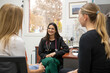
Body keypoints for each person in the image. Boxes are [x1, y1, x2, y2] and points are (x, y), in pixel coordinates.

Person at [59, 3, 110, 73]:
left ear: (85, 17)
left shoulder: (86, 38)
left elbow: (83, 71)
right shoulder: (102, 35)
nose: (78, 18)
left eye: (79, 15)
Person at [0, 4, 45, 73]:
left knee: (35, 65)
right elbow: (24, 71)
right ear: (17, 21)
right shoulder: (15, 41)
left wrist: (30, 65)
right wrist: (39, 70)